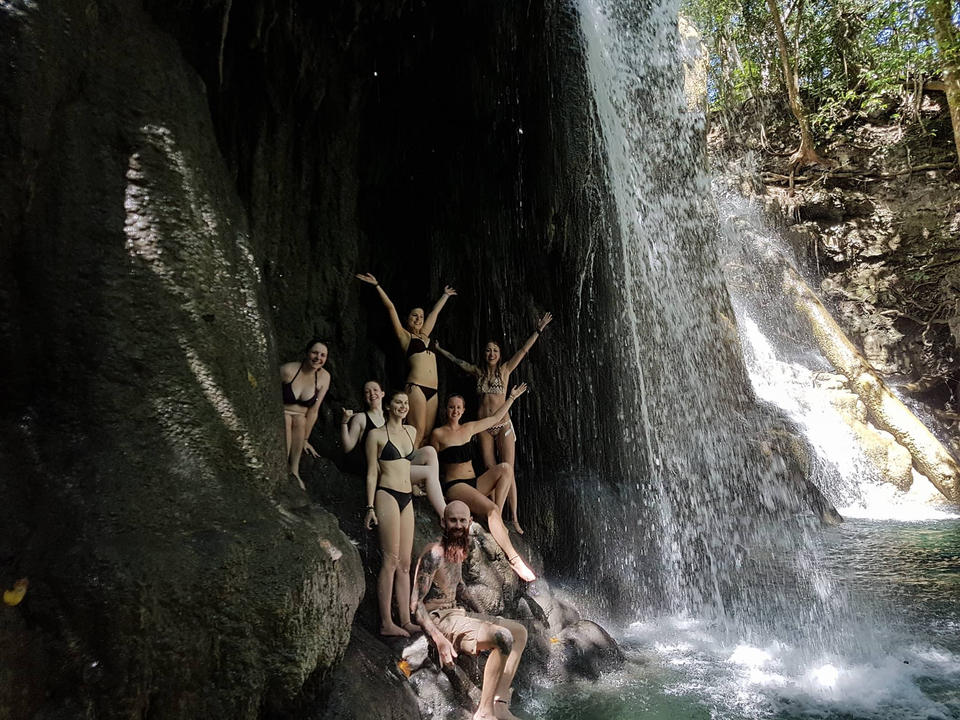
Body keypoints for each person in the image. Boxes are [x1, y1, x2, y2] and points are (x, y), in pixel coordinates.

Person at [411, 501, 529, 720]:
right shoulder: (433, 554)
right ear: (443, 522)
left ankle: (499, 704)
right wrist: (439, 641)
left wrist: (485, 616)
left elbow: (460, 587)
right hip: (440, 619)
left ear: (470, 523)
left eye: (462, 520)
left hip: (458, 614)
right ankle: (484, 713)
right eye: (453, 520)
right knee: (503, 638)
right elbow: (415, 604)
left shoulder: (458, 550)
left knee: (519, 632)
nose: (458, 525)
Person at [436, 312, 552, 534]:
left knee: (509, 468)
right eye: (488, 350)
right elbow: (456, 362)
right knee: (490, 468)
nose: (491, 353)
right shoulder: (478, 372)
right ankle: (491, 512)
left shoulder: (505, 370)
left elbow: (523, 351)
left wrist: (538, 330)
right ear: (485, 353)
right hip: (484, 426)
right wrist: (439, 349)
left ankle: (515, 518)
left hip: (504, 424)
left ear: (500, 355)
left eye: (495, 351)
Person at [430, 389, 536, 582]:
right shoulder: (438, 434)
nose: (455, 411)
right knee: (490, 508)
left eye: (458, 408)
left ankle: (497, 517)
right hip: (455, 485)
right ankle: (514, 558)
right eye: (451, 407)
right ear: (446, 409)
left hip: (474, 482)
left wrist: (511, 397)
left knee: (505, 468)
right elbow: (431, 463)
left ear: (463, 410)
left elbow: (496, 417)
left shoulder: (469, 428)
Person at [356, 272, 456, 448]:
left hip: (433, 390)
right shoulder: (405, 337)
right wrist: (377, 285)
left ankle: (419, 470)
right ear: (407, 319)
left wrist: (445, 296)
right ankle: (405, 470)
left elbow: (435, 313)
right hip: (416, 387)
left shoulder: (426, 335)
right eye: (414, 316)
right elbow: (390, 308)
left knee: (426, 435)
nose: (418, 319)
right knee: (416, 431)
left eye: (420, 317)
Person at [342, 380, 446, 517]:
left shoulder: (394, 417)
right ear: (363, 398)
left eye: (375, 390)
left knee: (430, 451)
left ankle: (433, 491)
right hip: (383, 471)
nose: (372, 394)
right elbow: (347, 447)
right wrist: (344, 422)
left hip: (401, 468)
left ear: (383, 393)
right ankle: (445, 513)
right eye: (367, 392)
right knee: (429, 472)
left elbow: (405, 453)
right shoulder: (362, 418)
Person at [365, 390, 422, 637]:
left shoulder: (412, 432)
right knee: (390, 560)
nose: (403, 406)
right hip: (386, 494)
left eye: (406, 403)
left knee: (406, 563)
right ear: (388, 406)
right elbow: (371, 472)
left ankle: (406, 620)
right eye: (398, 402)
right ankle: (386, 623)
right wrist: (369, 507)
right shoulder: (375, 435)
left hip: (406, 497)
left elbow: (408, 467)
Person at [280, 338, 330, 488]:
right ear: (307, 353)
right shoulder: (288, 370)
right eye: (315, 353)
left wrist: (306, 439)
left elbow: (314, 410)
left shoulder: (324, 377)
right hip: (281, 414)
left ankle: (294, 470)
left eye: (323, 355)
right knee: (288, 419)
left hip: (300, 419)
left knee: (300, 420)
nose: (318, 358)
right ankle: (283, 468)